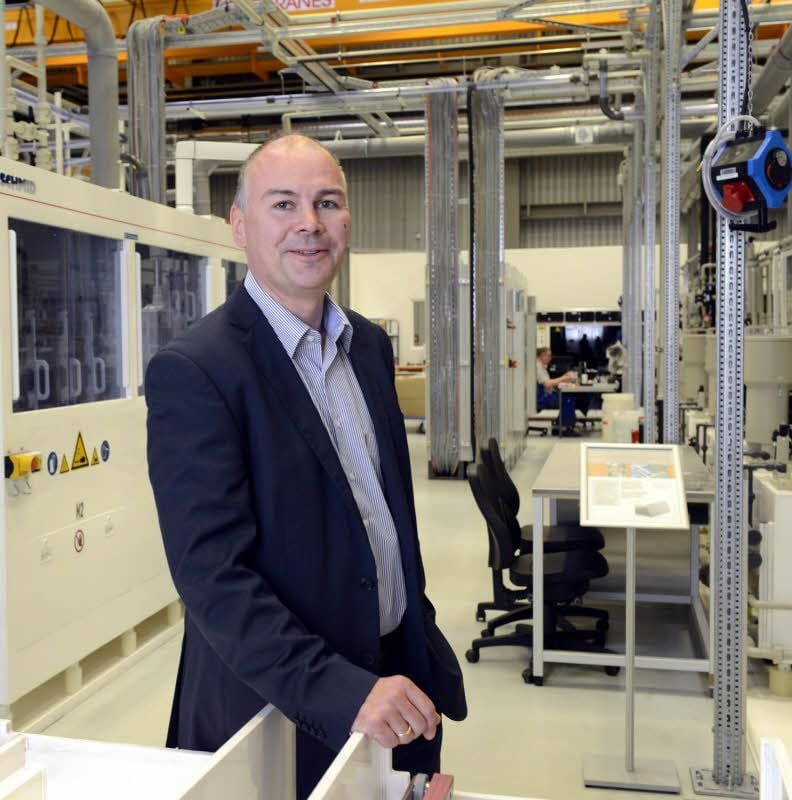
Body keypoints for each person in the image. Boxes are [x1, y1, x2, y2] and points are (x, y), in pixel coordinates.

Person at [145, 133, 466, 798]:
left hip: (393, 683)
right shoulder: (198, 370)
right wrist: (341, 691)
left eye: (327, 203)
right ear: (239, 225)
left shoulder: (368, 347)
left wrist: (415, 637)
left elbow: (386, 517)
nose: (309, 225)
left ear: (348, 220)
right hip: (278, 705)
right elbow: (212, 579)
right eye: (283, 204)